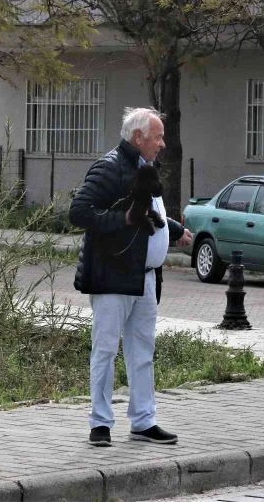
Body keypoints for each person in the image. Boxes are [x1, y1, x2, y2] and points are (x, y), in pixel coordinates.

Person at [69, 107, 193, 447]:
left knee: (143, 352)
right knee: (105, 350)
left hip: (145, 277)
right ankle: (100, 423)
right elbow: (79, 212)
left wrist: (174, 229)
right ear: (138, 137)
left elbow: (147, 212)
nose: (163, 144)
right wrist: (122, 220)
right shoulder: (109, 167)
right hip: (112, 275)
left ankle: (143, 421)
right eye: (158, 137)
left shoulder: (144, 167)